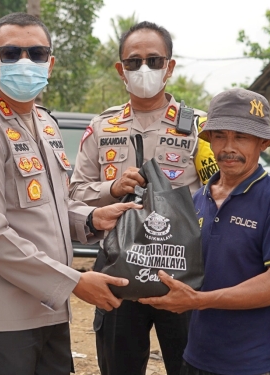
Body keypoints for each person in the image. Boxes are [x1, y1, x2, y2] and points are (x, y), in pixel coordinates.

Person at [0, 13, 139, 375]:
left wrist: (92, 217)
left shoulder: (45, 124)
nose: (24, 62)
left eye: (36, 53)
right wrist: (76, 281)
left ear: (49, 64)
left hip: (50, 309)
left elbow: (51, 204)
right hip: (2, 319)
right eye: (11, 53)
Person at [69, 21, 216, 375]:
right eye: (133, 62)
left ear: (170, 66)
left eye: (154, 60)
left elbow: (220, 193)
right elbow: (74, 193)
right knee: (119, 365)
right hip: (119, 273)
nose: (144, 69)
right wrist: (111, 188)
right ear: (121, 69)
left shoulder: (200, 127)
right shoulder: (102, 127)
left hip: (180, 271)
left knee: (190, 366)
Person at [139, 88, 270, 375]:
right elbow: (181, 268)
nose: (229, 147)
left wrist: (200, 301)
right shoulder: (197, 199)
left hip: (252, 364)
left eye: (241, 137)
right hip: (195, 358)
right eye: (220, 136)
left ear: (262, 142)